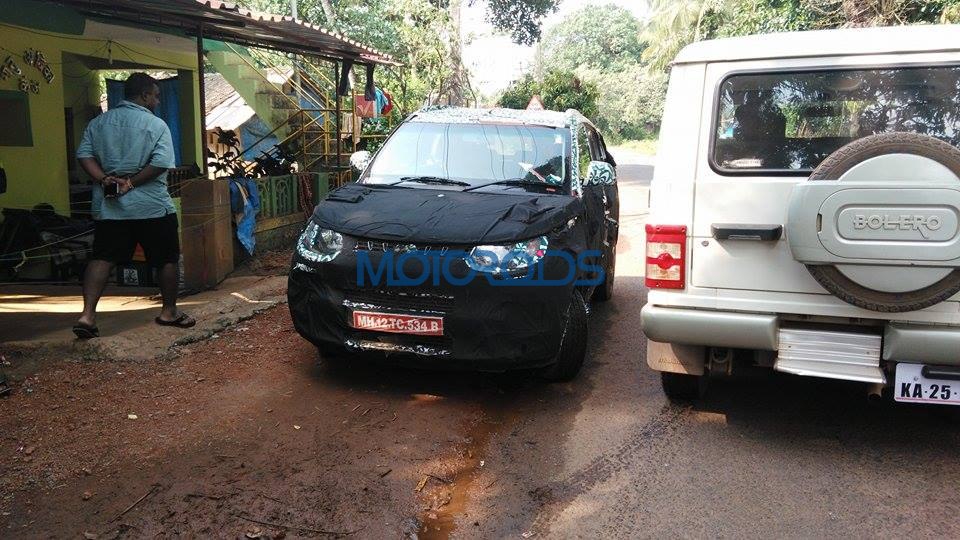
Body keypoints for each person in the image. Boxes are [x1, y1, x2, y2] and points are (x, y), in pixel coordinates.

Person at [73, 72, 195, 338]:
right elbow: (161, 163)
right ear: (144, 95)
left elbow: (84, 155)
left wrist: (104, 179)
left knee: (103, 257)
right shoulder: (156, 125)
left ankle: (87, 316)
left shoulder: (98, 123)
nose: (158, 102)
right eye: (156, 96)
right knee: (166, 259)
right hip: (151, 206)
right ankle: (169, 312)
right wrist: (130, 182)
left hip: (110, 208)